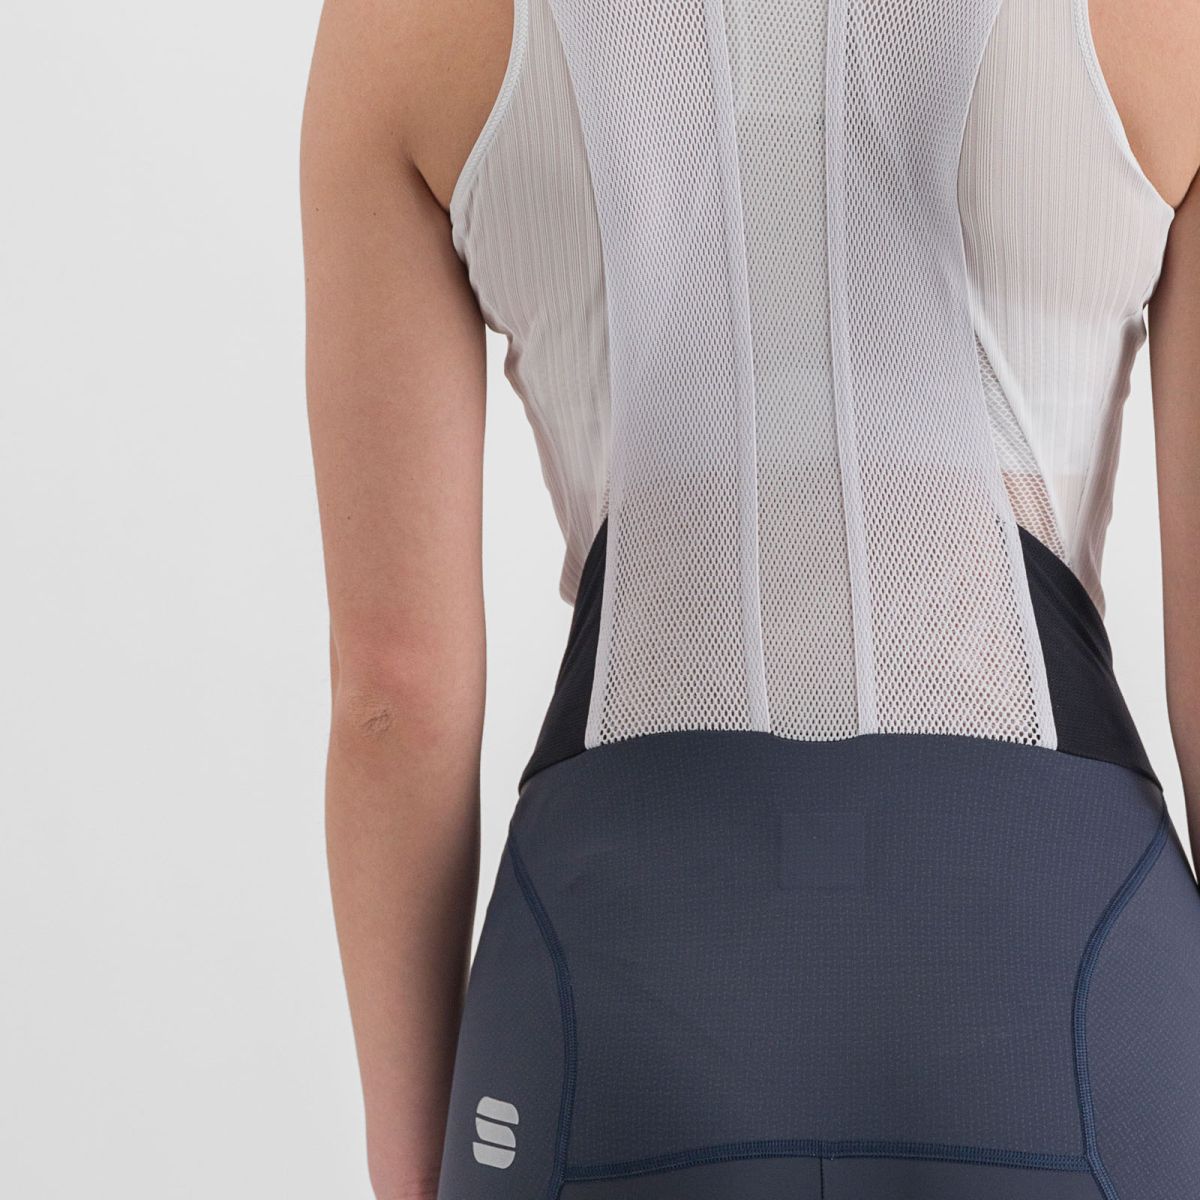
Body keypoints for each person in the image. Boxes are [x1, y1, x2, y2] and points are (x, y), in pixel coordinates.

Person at [301, 1, 1200, 1197]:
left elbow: (392, 695)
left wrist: (415, 1150)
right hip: (1074, 974)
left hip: (612, 978)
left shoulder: (401, 29)